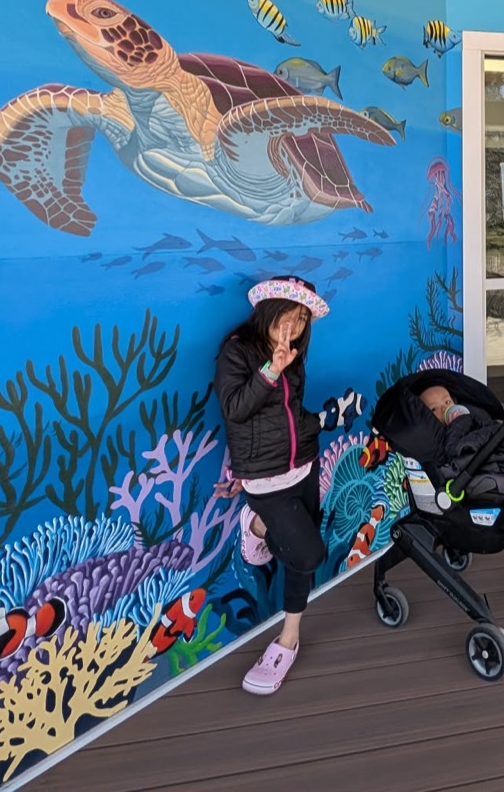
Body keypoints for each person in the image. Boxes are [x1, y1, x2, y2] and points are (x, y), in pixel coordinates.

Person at [214, 275, 329, 696]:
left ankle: (288, 640)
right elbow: (234, 410)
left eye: (301, 319)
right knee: (310, 552)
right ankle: (258, 524)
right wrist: (270, 369)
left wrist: (326, 419)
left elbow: (291, 417)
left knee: (300, 562)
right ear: (267, 310)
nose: (294, 326)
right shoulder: (237, 351)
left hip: (304, 466)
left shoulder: (294, 357)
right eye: (288, 315)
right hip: (263, 479)